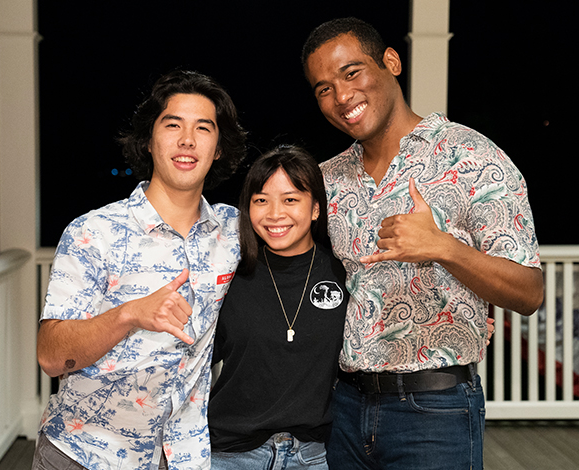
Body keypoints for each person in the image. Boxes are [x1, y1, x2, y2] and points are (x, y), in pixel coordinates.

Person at [301, 17, 544, 470]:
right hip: (340, 410)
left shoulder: (472, 157)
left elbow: (529, 293)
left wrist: (444, 248)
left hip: (434, 412)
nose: (342, 96)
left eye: (352, 73)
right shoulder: (325, 179)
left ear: (391, 62)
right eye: (324, 89)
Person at [32, 70, 247, 470]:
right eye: (173, 125)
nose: (187, 140)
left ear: (218, 148)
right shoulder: (93, 232)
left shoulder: (234, 232)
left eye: (203, 128)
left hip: (182, 456)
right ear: (149, 140)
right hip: (85, 453)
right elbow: (50, 355)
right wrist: (129, 314)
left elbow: (299, 218)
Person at [208, 145, 348, 470]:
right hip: (230, 455)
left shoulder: (343, 273)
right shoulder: (229, 274)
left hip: (313, 456)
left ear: (315, 208)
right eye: (261, 200)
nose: (274, 214)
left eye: (290, 199)